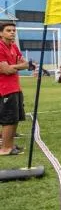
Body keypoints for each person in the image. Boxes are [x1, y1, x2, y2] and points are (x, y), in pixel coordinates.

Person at [0, 22, 28, 156]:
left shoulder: (13, 46)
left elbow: (26, 64)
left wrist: (13, 67)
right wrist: (16, 66)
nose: (12, 32)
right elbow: (6, 70)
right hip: (5, 88)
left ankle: (10, 145)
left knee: (15, 118)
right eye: (8, 30)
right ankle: (5, 148)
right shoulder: (0, 47)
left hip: (15, 87)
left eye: (13, 30)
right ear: (1, 33)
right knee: (9, 119)